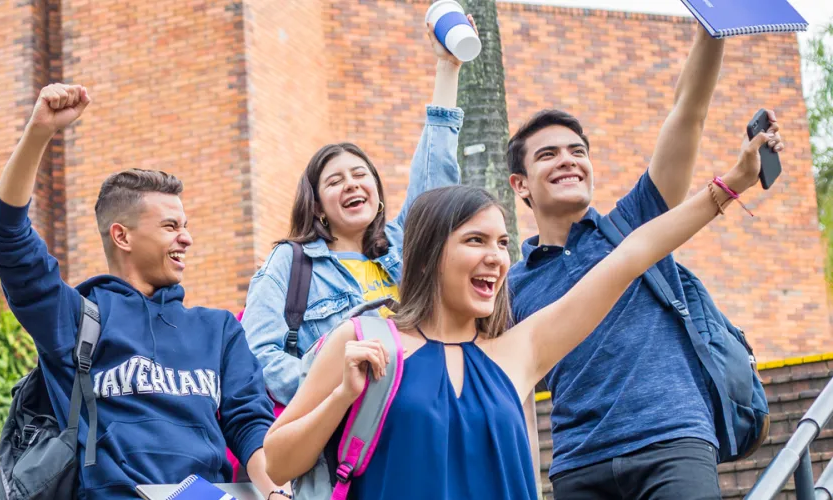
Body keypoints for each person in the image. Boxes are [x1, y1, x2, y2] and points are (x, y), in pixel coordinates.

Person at [261, 116, 783, 499]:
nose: (496, 257)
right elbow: (280, 461)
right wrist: (340, 397)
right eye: (475, 241)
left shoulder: (520, 350)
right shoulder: (362, 340)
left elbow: (632, 255)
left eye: (503, 243)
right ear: (429, 253)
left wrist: (731, 184)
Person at [0, 85, 283, 499]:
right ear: (122, 236)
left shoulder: (219, 330)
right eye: (171, 227)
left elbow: (249, 425)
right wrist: (38, 133)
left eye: (185, 225)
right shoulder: (74, 320)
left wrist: (274, 492)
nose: (187, 238)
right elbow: (4, 236)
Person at [505, 30, 771, 498]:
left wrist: (715, 26)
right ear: (521, 185)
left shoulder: (635, 220)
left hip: (672, 441)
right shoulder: (513, 285)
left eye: (578, 152)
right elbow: (518, 399)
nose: (568, 162)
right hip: (577, 466)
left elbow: (688, 110)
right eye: (548, 155)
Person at [241, 17, 471, 404]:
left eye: (360, 175)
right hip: (348, 436)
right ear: (317, 207)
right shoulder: (289, 264)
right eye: (334, 181)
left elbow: (436, 179)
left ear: (378, 195)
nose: (351, 184)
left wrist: (447, 68)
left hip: (428, 412)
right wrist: (334, 381)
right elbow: (258, 361)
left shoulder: (403, 245)